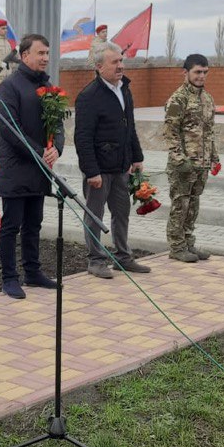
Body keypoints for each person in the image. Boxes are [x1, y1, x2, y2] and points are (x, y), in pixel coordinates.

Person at [74, 41, 150, 278]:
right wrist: (92, 171)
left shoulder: (124, 89)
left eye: (121, 60)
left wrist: (137, 157)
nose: (120, 66)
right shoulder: (89, 96)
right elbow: (82, 138)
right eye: (115, 62)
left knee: (121, 212)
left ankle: (123, 257)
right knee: (95, 215)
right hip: (99, 169)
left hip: (121, 166)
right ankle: (96, 260)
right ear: (99, 67)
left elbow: (130, 127)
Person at [0, 34, 63, 298]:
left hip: (39, 168)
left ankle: (32, 272)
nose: (46, 58)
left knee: (35, 222)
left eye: (47, 53)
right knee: (12, 225)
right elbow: (10, 130)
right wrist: (40, 153)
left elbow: (57, 123)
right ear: (24, 56)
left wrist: (56, 147)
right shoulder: (9, 87)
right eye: (40, 53)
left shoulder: (48, 86)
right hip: (15, 168)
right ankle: (9, 278)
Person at [164, 53, 220, 262]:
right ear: (185, 73)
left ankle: (188, 243)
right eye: (197, 72)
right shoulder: (178, 99)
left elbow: (210, 131)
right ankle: (176, 247)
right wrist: (180, 160)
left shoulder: (207, 98)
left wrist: (214, 158)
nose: (201, 76)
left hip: (202, 164)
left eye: (205, 72)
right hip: (183, 165)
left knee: (194, 205)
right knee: (181, 205)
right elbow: (170, 132)